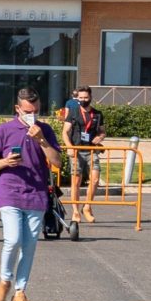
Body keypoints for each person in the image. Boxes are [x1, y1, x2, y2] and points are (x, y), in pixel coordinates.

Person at [0, 88, 62, 301]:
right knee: (13, 240)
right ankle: (4, 281)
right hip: (10, 192)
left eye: (36, 110)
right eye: (28, 111)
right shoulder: (4, 130)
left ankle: (20, 293)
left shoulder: (45, 130)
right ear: (17, 109)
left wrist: (41, 140)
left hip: (36, 194)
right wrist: (5, 162)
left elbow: (57, 162)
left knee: (29, 246)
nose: (32, 115)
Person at [62, 84, 104, 224]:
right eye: (80, 97)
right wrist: (69, 147)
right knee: (76, 181)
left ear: (90, 97)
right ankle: (75, 210)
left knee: (95, 179)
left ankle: (87, 206)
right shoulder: (73, 112)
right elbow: (65, 132)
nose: (83, 100)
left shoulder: (97, 114)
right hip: (76, 150)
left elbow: (102, 131)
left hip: (91, 150)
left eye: (86, 97)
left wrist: (100, 137)